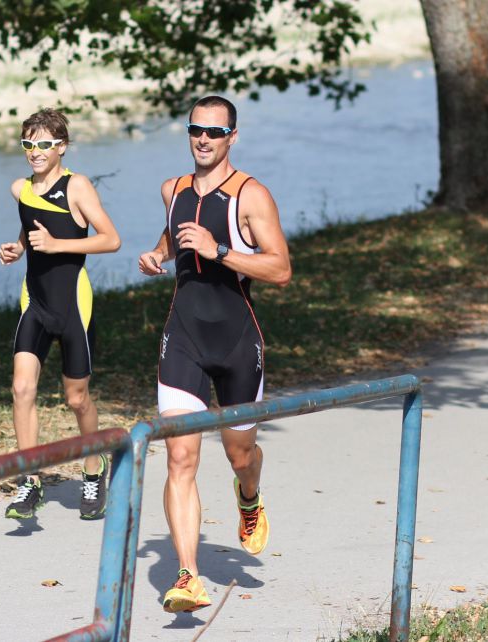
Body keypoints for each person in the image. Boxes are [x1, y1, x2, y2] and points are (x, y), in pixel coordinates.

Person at [137, 95, 292, 613]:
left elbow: (280, 269)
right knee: (180, 456)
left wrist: (219, 251)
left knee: (239, 454)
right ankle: (187, 575)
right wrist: (159, 253)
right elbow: (173, 228)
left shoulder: (252, 196)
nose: (203, 139)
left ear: (232, 136)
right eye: (195, 130)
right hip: (183, 337)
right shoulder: (172, 189)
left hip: (235, 341)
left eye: (215, 131)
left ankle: (248, 497)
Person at [0, 108, 121, 521]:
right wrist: (18, 249)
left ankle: (93, 466)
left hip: (72, 304)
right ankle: (29, 480)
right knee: (21, 389)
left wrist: (57, 246)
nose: (35, 152)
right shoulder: (20, 188)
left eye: (44, 144)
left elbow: (111, 240)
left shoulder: (77, 187)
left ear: (61, 147)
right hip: (34, 301)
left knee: (76, 397)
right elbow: (30, 234)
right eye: (28, 144)